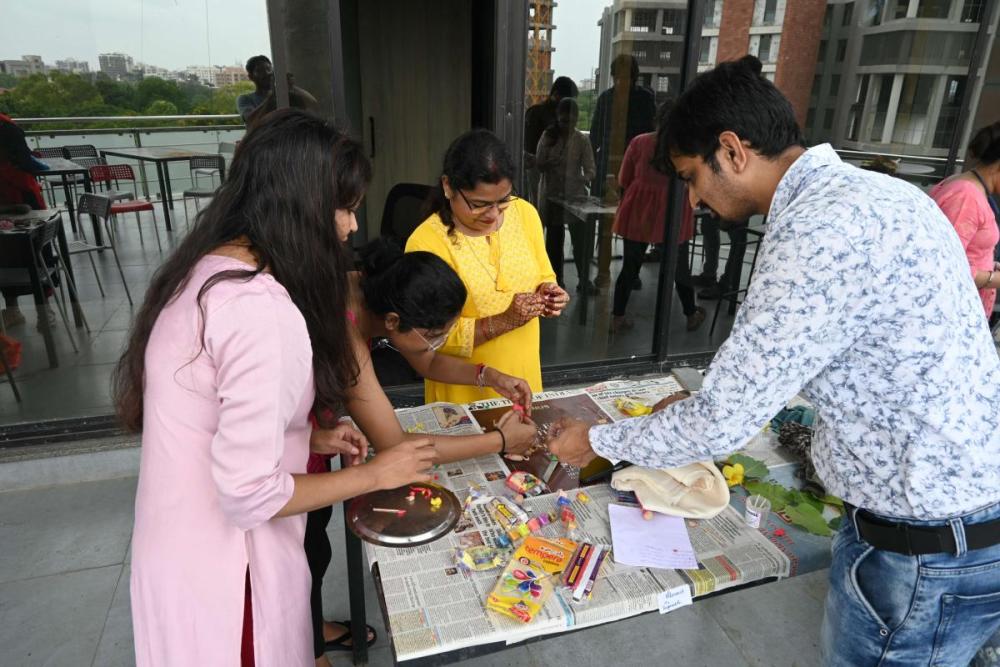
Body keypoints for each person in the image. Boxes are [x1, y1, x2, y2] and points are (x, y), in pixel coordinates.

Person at [549, 55, 1000, 666]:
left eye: (690, 176)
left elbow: (721, 422)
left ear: (732, 150)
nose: (693, 199)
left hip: (921, 551)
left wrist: (599, 439)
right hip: (967, 527)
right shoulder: (886, 195)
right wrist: (716, 398)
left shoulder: (817, 231)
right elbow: (838, 351)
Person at [115, 109, 435, 667]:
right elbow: (250, 495)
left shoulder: (209, 270)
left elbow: (208, 415)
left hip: (181, 549)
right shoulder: (257, 308)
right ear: (301, 207)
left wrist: (302, 439)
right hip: (228, 575)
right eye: (344, 209)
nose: (351, 228)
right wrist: (375, 476)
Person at [306, 238, 538, 664]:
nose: (439, 342)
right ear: (393, 322)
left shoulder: (379, 288)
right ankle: (305, 648)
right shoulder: (348, 331)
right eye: (433, 334)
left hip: (313, 429)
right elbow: (396, 448)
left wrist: (489, 375)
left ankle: (309, 626)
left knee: (310, 554)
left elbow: (427, 362)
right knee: (304, 551)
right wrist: (501, 442)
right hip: (288, 444)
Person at [405, 129, 570, 404]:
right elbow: (426, 337)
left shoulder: (524, 213)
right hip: (464, 389)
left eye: (503, 201)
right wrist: (504, 321)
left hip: (524, 373)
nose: (493, 214)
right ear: (448, 187)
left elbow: (543, 273)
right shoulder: (427, 242)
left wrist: (549, 292)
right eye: (479, 204)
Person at [610, 101, 705, 333]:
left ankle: (617, 317)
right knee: (678, 267)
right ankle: (691, 313)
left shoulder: (640, 142)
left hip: (639, 209)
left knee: (630, 267)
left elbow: (624, 179)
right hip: (673, 210)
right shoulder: (688, 147)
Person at [589, 53, 655, 287]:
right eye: (619, 78)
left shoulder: (638, 99)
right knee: (608, 224)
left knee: (633, 227)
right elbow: (596, 132)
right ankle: (605, 272)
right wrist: (593, 167)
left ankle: (631, 272)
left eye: (625, 78)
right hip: (613, 167)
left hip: (633, 171)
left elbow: (649, 135)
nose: (622, 82)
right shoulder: (610, 98)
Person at [930, 122, 1000, 321]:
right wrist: (995, 279)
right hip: (953, 314)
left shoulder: (966, 186)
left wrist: (990, 265)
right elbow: (947, 267)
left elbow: (966, 251)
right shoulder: (966, 196)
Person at [0, 112, 57, 329]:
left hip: (13, 197)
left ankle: (14, 309)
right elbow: (26, 162)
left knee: (8, 255)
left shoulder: (7, 127)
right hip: (21, 193)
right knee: (36, 251)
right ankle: (44, 311)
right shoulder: (7, 127)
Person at [536, 98, 596, 292]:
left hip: (574, 195)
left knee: (580, 240)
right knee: (554, 240)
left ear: (577, 119)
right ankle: (556, 280)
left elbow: (590, 169)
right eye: (563, 122)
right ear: (557, 118)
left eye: (571, 122)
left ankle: (583, 279)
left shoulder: (581, 139)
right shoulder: (548, 136)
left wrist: (583, 178)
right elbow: (538, 163)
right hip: (552, 193)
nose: (567, 126)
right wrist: (548, 164)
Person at [524, 76, 579, 205]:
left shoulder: (540, 113)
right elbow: (530, 146)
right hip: (538, 167)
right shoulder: (537, 113)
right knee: (539, 204)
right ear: (556, 95)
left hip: (555, 170)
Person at [237, 55, 317, 128]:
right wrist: (271, 97)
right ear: (251, 77)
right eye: (260, 71)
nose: (266, 73)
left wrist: (291, 86)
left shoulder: (284, 94)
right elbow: (250, 120)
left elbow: (312, 104)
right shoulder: (245, 99)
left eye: (268, 69)